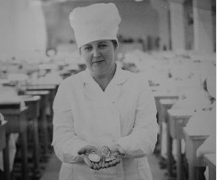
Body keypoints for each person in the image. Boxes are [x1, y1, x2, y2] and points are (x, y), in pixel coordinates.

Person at [52, 3, 159, 180]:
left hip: (129, 174)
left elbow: (147, 135)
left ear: (115, 46)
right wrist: (81, 149)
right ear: (81, 52)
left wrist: (120, 147)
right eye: (88, 48)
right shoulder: (68, 87)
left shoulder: (137, 84)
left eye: (102, 45)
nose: (95, 54)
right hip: (81, 175)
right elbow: (61, 138)